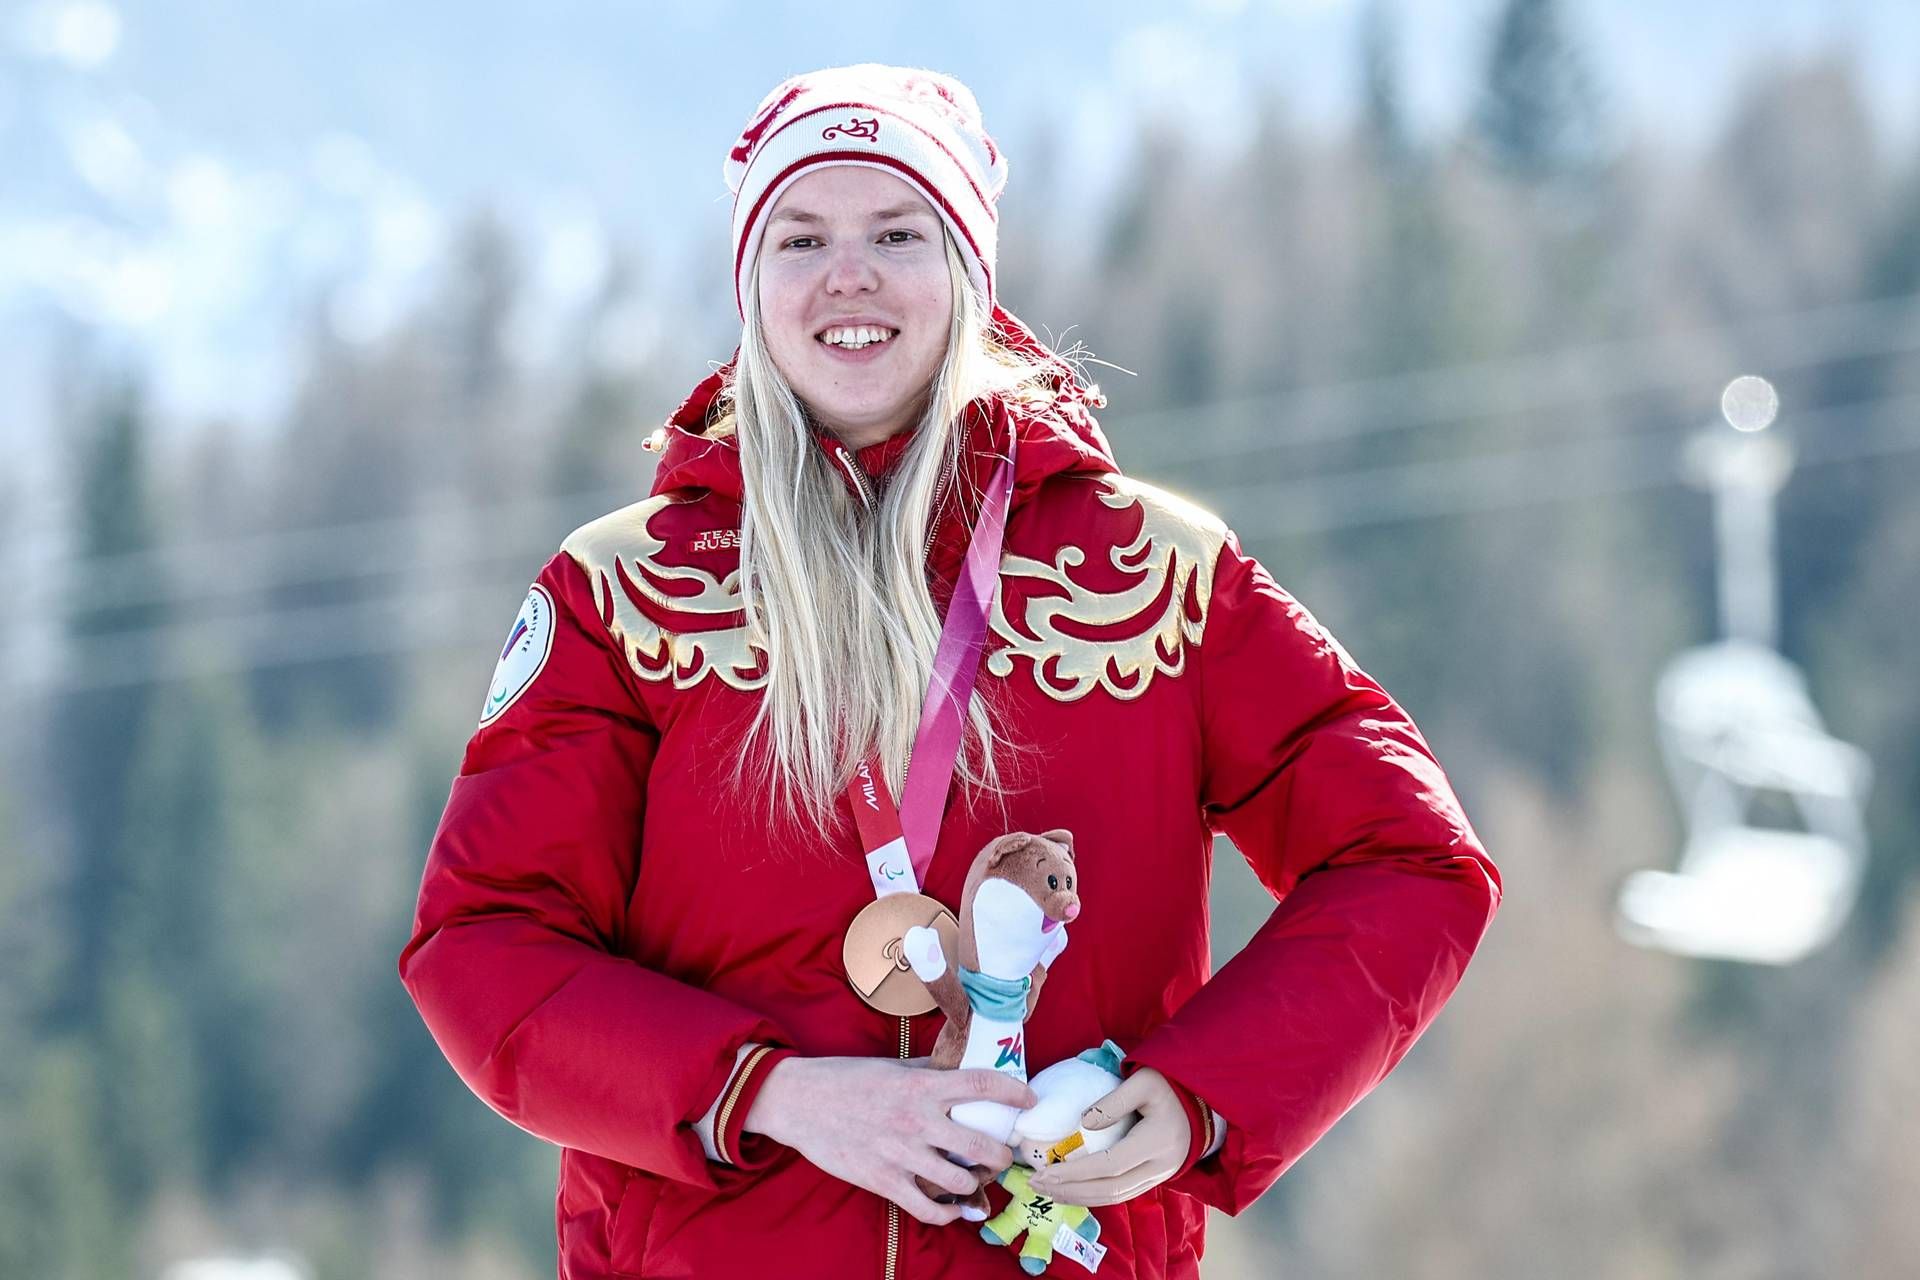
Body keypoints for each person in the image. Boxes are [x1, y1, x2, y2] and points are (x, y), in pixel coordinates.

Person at [399, 63, 1502, 1280]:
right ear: (750, 281)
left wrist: (1199, 1096)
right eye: (801, 236)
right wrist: (776, 1095)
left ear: (969, 273)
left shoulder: (1152, 569)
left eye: (897, 231)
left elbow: (1411, 858)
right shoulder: (622, 588)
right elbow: (484, 942)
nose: (847, 275)